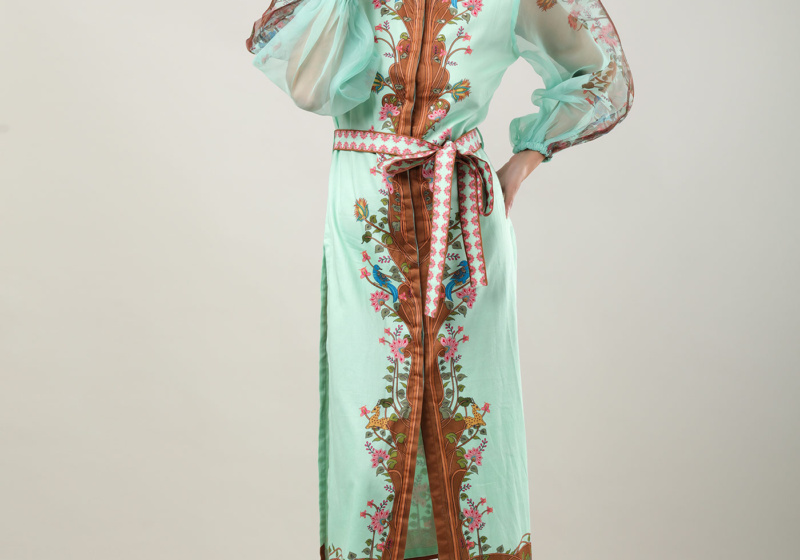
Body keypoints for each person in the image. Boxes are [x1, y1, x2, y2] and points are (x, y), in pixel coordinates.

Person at [245, 1, 634, 559]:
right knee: (372, 429)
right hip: (369, 227)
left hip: (464, 220)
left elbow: (600, 72)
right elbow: (310, 91)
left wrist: (526, 157)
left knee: (471, 418)